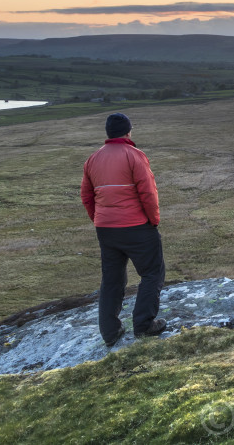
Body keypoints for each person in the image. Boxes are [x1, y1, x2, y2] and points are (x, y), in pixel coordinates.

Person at [80, 112, 166, 345]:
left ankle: (110, 332)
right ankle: (144, 325)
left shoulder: (93, 159)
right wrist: (153, 221)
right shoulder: (134, 156)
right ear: (128, 132)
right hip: (137, 226)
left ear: (108, 133)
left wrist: (99, 219)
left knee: (112, 279)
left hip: (106, 229)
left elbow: (86, 196)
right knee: (152, 273)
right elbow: (148, 193)